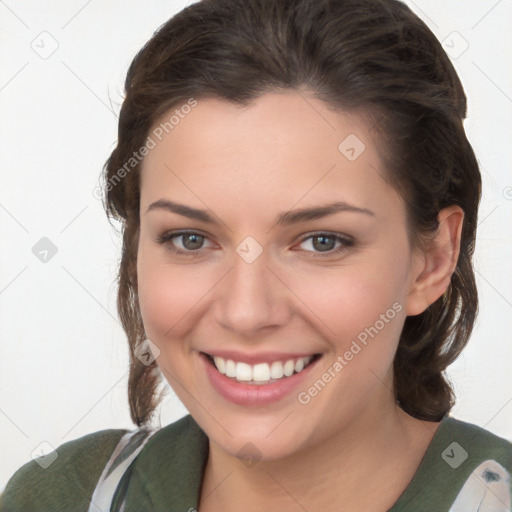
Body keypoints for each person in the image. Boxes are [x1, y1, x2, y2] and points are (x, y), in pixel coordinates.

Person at [1, 0, 511, 510]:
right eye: (190, 239)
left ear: (433, 259)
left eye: (321, 242)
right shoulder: (59, 497)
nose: (246, 312)